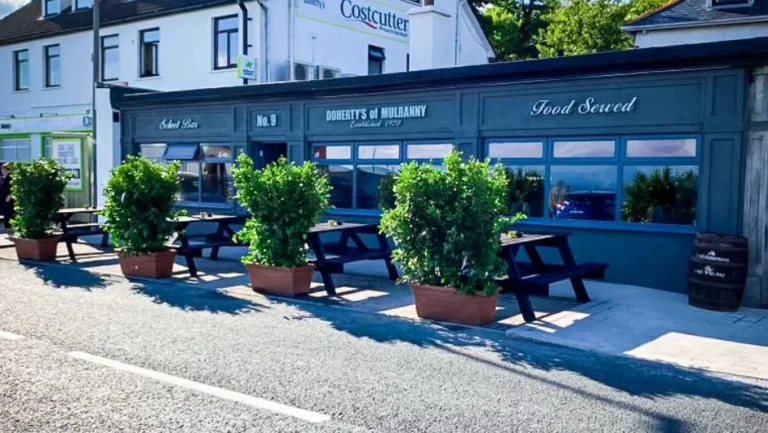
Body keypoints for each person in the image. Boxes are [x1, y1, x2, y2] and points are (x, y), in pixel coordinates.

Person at [0, 163, 13, 233]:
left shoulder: (10, 178)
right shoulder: (2, 178)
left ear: (8, 170)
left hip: (7, 198)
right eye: (2, 169)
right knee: (4, 212)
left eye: (4, 169)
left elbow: (13, 188)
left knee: (8, 212)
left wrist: (9, 196)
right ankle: (7, 227)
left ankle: (8, 227)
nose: (3, 170)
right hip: (2, 198)